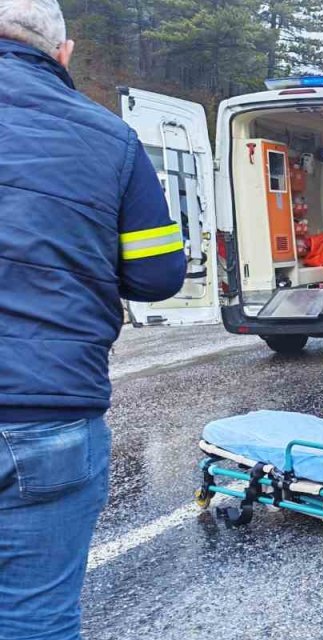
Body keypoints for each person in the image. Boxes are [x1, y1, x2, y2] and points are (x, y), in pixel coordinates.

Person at [0, 1, 187, 637]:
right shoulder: (111, 138)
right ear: (65, 53)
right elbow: (159, 275)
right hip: (46, 414)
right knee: (34, 619)